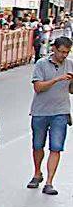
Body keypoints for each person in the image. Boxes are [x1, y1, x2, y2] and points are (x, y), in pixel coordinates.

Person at [27, 35, 71, 195]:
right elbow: (38, 87)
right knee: (38, 145)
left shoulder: (70, 64)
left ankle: (49, 182)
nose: (64, 55)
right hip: (40, 111)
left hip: (61, 111)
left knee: (56, 147)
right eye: (61, 52)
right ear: (54, 49)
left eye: (67, 52)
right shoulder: (41, 64)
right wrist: (57, 79)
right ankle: (37, 173)